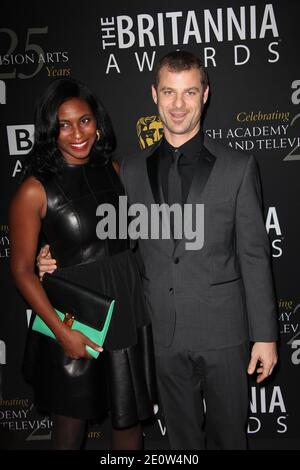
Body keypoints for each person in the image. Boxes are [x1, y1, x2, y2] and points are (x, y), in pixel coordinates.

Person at [38, 51, 278, 450]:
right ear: (154, 95)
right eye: (169, 92)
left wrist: (266, 337)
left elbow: (254, 255)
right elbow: (107, 239)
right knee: (181, 444)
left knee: (230, 440)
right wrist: (50, 253)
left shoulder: (238, 166)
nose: (178, 104)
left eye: (188, 92)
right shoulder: (127, 171)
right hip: (159, 336)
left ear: (205, 94)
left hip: (224, 333)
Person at [9, 78, 156, 450]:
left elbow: (130, 238)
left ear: (98, 122)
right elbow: (22, 270)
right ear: (49, 130)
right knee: (69, 431)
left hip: (125, 309)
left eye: (85, 121)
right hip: (75, 321)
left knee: (129, 424)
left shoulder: (116, 172)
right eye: (64, 124)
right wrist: (62, 332)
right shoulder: (34, 189)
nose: (78, 133)